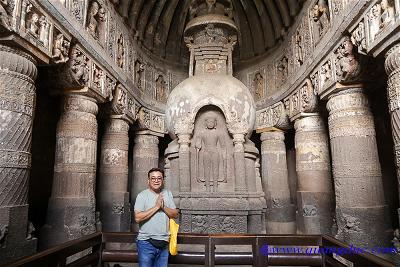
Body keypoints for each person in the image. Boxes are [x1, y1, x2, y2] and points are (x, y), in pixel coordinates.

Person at [134, 167, 178, 267]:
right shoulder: (142, 196)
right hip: (146, 243)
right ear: (148, 181)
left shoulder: (167, 193)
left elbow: (175, 214)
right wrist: (157, 207)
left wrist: (163, 207)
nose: (156, 180)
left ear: (163, 180)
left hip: (164, 243)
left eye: (159, 178)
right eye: (153, 178)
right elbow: (137, 218)